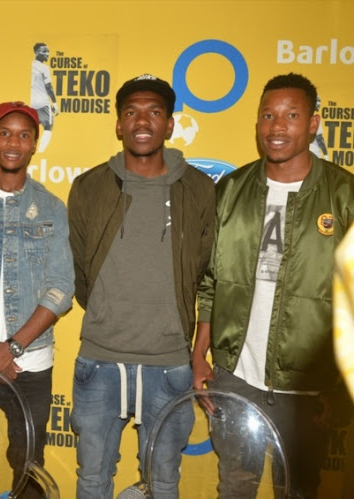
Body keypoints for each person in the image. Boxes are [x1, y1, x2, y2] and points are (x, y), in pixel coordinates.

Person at [193, 73, 354, 498]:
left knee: (299, 491)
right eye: (267, 115)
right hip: (235, 376)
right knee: (234, 487)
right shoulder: (230, 190)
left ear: (315, 123)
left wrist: (338, 387)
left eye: (291, 115)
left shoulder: (344, 196)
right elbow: (210, 280)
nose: (276, 127)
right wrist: (199, 355)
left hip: (308, 387)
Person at [68, 74, 215, 499]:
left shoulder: (201, 189)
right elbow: (79, 271)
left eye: (154, 111)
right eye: (131, 112)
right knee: (92, 480)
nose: (142, 121)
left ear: (169, 124)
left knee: (163, 483)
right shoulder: (89, 186)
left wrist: (196, 350)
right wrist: (105, 313)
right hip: (99, 360)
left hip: (169, 365)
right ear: (118, 124)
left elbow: (211, 278)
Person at [0, 101, 74, 498]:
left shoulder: (53, 209)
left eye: (24, 135)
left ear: (35, 145)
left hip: (33, 360)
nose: (13, 142)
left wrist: (13, 347)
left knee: (29, 462)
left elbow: (61, 288)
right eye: (5, 133)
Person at [30, 42, 58, 153]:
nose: (47, 53)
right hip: (43, 103)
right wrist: (55, 103)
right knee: (49, 126)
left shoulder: (31, 65)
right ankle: (41, 152)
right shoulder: (44, 68)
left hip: (32, 103)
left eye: (48, 51)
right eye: (44, 51)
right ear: (37, 52)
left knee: (32, 127)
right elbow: (49, 86)